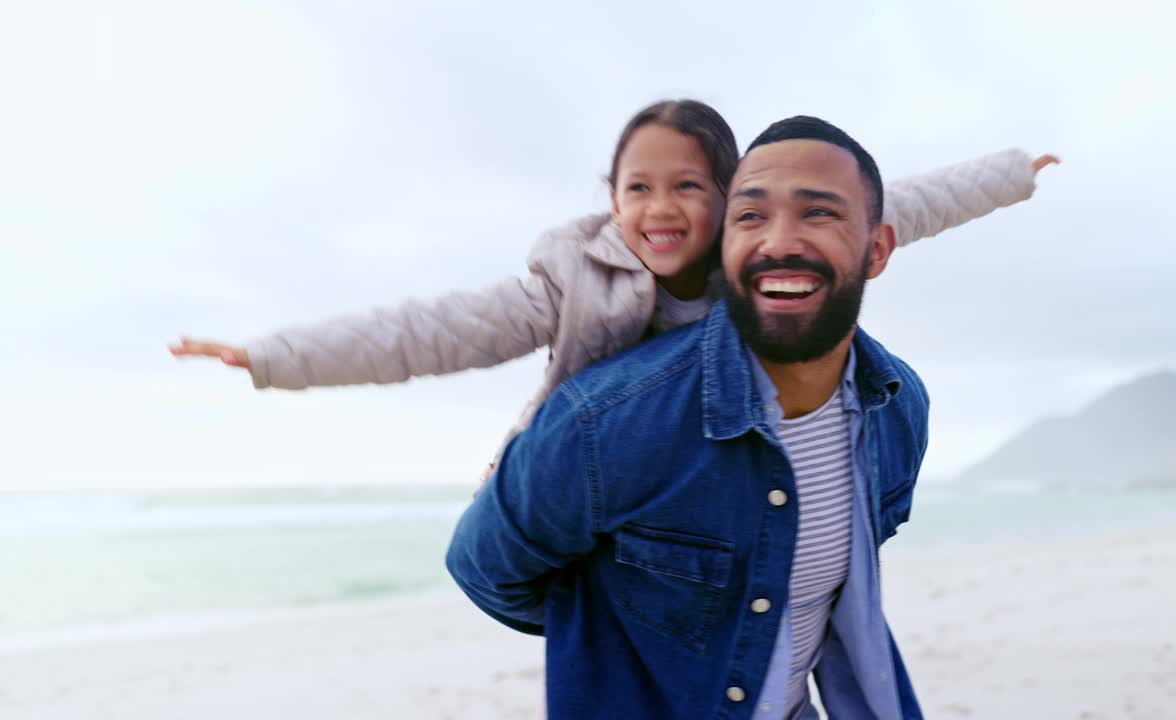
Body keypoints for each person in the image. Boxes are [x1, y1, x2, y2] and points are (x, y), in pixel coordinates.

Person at [169, 99, 1056, 471]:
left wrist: (1015, 171)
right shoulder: (573, 280)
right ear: (611, 199)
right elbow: (428, 331)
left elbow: (912, 200)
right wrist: (272, 356)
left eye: (688, 187)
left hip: (711, 472)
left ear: (731, 194)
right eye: (638, 188)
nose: (660, 210)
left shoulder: (764, 258)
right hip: (586, 473)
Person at [447, 115, 936, 718]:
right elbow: (483, 568)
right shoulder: (603, 422)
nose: (779, 241)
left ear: (877, 248)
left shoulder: (896, 405)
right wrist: (622, 639)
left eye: (818, 213)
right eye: (750, 216)